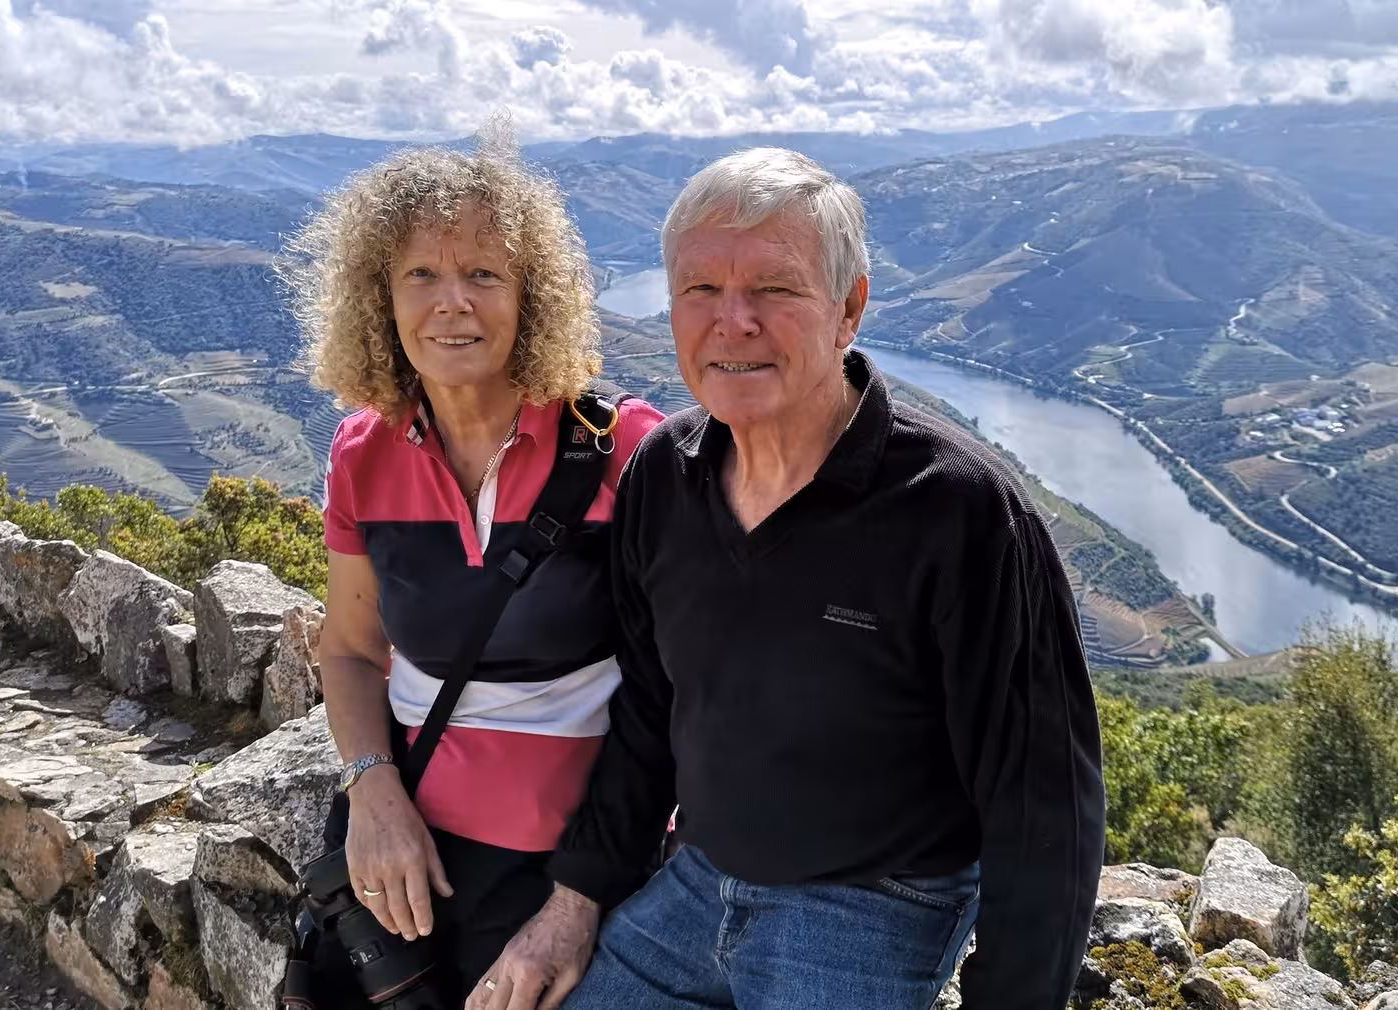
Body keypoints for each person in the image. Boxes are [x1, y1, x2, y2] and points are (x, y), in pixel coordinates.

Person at [465, 147, 1104, 1010]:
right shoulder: (664, 475)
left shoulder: (957, 510)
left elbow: (1043, 801)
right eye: (700, 290)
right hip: (696, 882)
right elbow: (650, 709)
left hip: (873, 905)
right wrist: (574, 904)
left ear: (849, 309)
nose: (733, 322)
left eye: (774, 287)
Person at [288, 126, 663, 1005]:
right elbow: (348, 648)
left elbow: (675, 691)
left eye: (484, 273)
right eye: (420, 273)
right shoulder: (362, 454)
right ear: (379, 297)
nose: (451, 302)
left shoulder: (624, 451)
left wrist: (580, 897)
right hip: (403, 849)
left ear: (531, 295)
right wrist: (371, 793)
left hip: (562, 866)